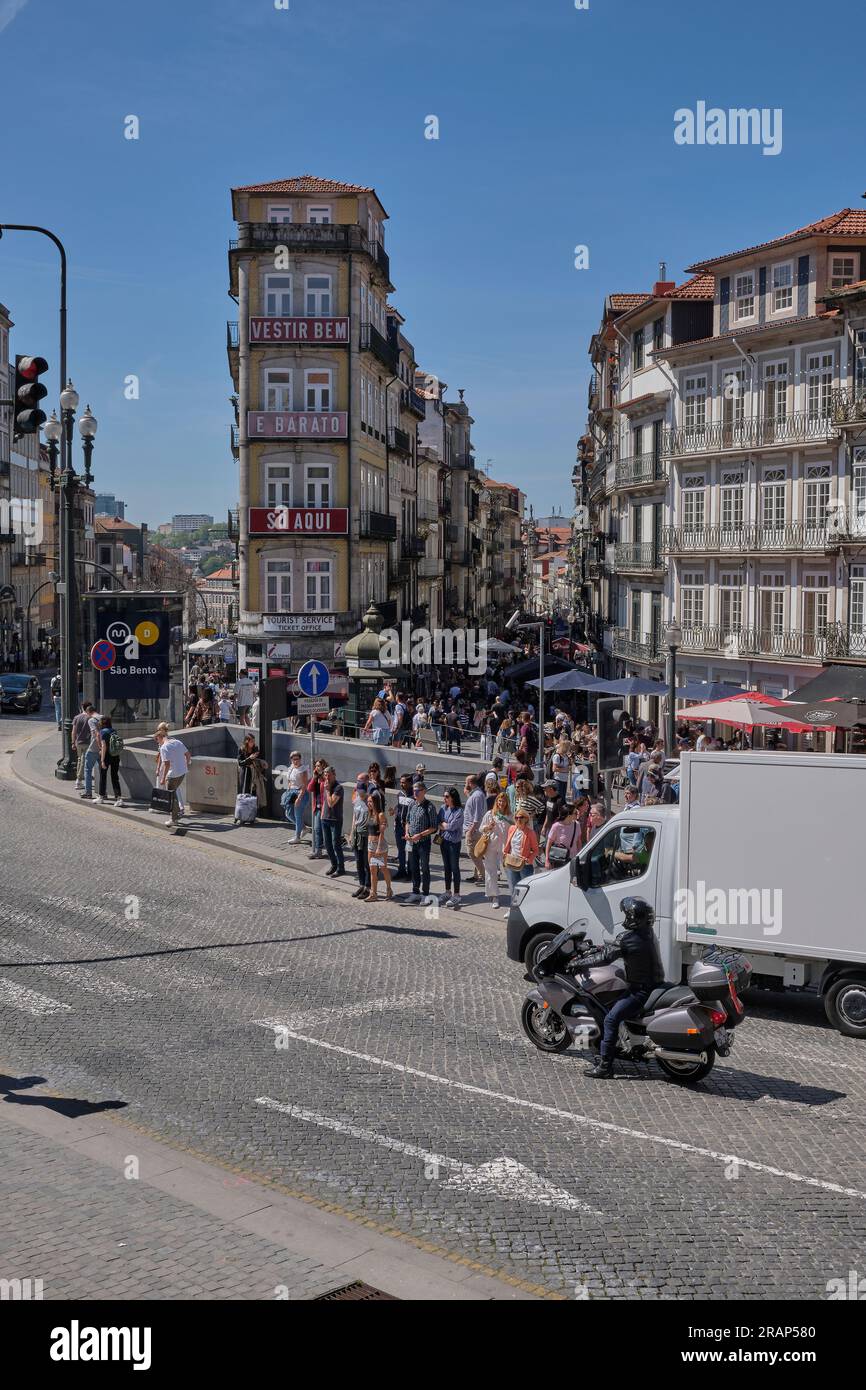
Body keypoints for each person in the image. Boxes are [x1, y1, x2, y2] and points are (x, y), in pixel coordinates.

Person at [583, 897, 665, 1079]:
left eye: (627, 914)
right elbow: (612, 948)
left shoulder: (628, 939)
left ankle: (605, 1066)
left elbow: (604, 958)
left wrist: (578, 963)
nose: (625, 917)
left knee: (611, 1019)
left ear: (633, 917)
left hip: (640, 992)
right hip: (655, 985)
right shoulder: (648, 933)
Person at [477, 791, 512, 909]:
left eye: (504, 801)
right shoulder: (490, 814)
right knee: (490, 871)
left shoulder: (510, 815)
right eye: (499, 801)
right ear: (497, 801)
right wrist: (488, 827)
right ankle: (494, 896)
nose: (501, 803)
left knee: (507, 871)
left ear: (507, 802)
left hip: (504, 845)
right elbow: (481, 829)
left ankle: (513, 894)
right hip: (490, 844)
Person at [405, 780, 438, 902]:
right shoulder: (412, 804)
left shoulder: (429, 807)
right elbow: (407, 821)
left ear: (424, 791)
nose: (415, 793)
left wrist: (419, 835)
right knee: (413, 867)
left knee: (424, 868)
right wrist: (407, 833)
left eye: (417, 790)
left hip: (423, 842)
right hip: (412, 842)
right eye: (414, 790)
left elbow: (434, 827)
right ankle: (415, 891)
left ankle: (425, 893)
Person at [156, 729, 191, 829]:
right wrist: (186, 766)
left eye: (157, 739)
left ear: (161, 737)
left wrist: (163, 778)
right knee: (174, 794)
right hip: (182, 773)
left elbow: (166, 765)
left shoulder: (164, 748)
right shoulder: (178, 742)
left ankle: (174, 819)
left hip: (172, 775)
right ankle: (177, 812)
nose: (157, 742)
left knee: (172, 797)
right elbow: (188, 755)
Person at [503, 810, 539, 902]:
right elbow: (508, 844)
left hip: (525, 865)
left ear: (526, 819)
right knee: (513, 887)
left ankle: (525, 909)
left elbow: (535, 850)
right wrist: (505, 853)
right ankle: (513, 908)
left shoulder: (530, 833)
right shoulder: (512, 828)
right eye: (517, 817)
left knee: (524, 889)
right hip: (512, 862)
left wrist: (529, 859)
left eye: (521, 817)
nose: (518, 819)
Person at [365, 790, 394, 902]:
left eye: (371, 801)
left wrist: (379, 847)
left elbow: (382, 832)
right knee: (372, 869)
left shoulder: (380, 815)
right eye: (368, 802)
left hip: (379, 845)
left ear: (376, 802)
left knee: (383, 868)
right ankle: (373, 894)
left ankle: (389, 889)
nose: (369, 804)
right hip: (370, 845)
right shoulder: (370, 814)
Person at [438, 787, 465, 909]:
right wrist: (444, 825)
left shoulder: (459, 811)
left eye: (447, 797)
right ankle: (447, 891)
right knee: (446, 867)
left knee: (455, 867)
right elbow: (438, 822)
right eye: (444, 796)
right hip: (444, 841)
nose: (444, 798)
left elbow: (453, 826)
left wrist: (445, 825)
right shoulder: (443, 808)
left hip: (454, 842)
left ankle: (457, 894)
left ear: (453, 798)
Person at [462, 774, 487, 886]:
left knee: (472, 853)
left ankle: (483, 876)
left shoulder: (477, 795)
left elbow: (478, 814)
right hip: (473, 828)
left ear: (470, 783)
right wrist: (468, 795)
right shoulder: (475, 794)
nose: (465, 784)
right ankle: (477, 875)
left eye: (466, 782)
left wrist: (472, 829)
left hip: (473, 830)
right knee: (476, 854)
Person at [320, 767, 346, 876]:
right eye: (325, 774)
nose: (327, 777)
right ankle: (333, 864)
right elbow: (325, 802)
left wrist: (327, 790)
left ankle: (341, 868)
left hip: (335, 819)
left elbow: (331, 803)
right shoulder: (326, 785)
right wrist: (322, 815)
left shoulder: (338, 787)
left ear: (334, 774)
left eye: (329, 774)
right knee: (327, 844)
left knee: (336, 844)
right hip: (325, 818)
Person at [390, 772, 414, 880]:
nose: (401, 784)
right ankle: (401, 871)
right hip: (399, 826)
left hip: (409, 828)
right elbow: (399, 807)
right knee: (400, 850)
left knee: (409, 850)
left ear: (410, 783)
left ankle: (410, 872)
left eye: (403, 783)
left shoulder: (414, 795)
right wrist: (394, 811)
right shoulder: (399, 793)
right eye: (400, 782)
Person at [282, 749, 310, 844]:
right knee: (288, 813)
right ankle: (304, 828)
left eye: (297, 759)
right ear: (291, 760)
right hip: (291, 792)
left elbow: (304, 785)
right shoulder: (291, 768)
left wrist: (299, 797)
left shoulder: (303, 769)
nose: (295, 761)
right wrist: (289, 791)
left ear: (300, 759)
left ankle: (297, 837)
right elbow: (289, 780)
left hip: (300, 793)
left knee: (298, 815)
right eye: (294, 759)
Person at [350, 776, 371, 899]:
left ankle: (368, 887)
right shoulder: (357, 800)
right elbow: (354, 816)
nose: (360, 793)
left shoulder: (369, 801)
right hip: (357, 832)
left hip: (366, 834)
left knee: (366, 862)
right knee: (358, 861)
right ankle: (361, 884)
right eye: (358, 791)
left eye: (362, 791)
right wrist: (352, 831)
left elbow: (374, 817)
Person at [95, 715, 123, 806]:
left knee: (103, 776)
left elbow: (104, 746)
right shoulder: (113, 731)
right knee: (115, 777)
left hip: (106, 756)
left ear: (102, 723)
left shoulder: (103, 732)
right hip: (115, 755)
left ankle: (101, 797)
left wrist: (102, 760)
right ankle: (119, 798)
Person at [545, 802, 581, 869]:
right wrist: (547, 860)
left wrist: (579, 856)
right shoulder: (556, 826)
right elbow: (549, 843)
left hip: (573, 860)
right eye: (575, 813)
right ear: (569, 816)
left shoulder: (577, 825)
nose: (577, 814)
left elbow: (578, 841)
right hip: (559, 860)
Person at [79, 703, 103, 801]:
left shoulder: (91, 720)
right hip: (103, 749)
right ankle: (103, 793)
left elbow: (96, 734)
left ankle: (88, 792)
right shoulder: (103, 717)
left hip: (94, 748)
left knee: (87, 770)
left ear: (89, 712)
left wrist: (99, 747)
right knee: (102, 771)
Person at [72, 701, 95, 790]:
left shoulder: (77, 717)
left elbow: (73, 731)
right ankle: (79, 780)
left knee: (80, 760)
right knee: (83, 762)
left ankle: (79, 780)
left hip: (78, 743)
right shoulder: (90, 718)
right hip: (87, 742)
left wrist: (73, 742)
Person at [307, 759, 327, 860]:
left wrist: (322, 779)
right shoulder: (316, 778)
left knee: (322, 830)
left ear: (323, 766)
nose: (316, 768)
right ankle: (318, 851)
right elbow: (309, 789)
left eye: (318, 766)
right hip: (317, 807)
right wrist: (314, 778)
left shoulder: (326, 777)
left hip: (325, 808)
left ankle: (322, 849)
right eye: (316, 766)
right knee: (317, 829)